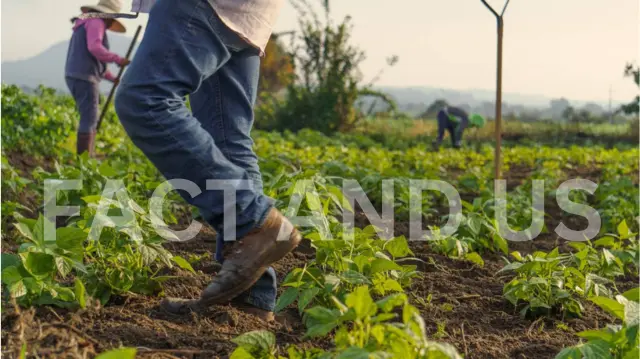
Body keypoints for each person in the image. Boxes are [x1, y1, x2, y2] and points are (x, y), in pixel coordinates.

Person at [111, 0, 300, 321]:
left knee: (144, 98)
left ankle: (254, 219)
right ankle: (251, 299)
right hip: (250, 14)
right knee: (228, 138)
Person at [65, 0, 130, 156]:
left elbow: (96, 61)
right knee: (89, 117)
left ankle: (87, 158)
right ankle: (85, 162)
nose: (111, 23)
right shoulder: (96, 21)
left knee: (90, 115)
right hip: (85, 77)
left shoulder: (86, 22)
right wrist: (118, 59)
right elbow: (94, 48)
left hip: (76, 75)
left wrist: (112, 78)